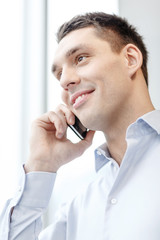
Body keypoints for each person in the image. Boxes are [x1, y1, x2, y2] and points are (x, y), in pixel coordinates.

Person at [0, 11, 160, 240]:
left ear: (130, 59)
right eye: (59, 74)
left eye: (80, 58)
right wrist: (40, 165)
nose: (65, 80)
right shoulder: (76, 208)